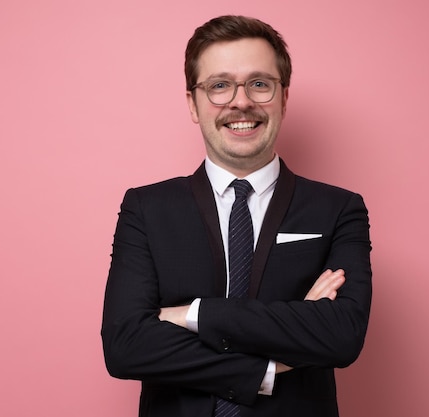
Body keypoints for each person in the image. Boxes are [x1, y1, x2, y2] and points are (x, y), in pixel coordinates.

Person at [101, 15, 372, 417]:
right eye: (219, 86)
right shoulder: (146, 208)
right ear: (193, 104)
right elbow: (125, 346)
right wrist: (270, 366)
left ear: (283, 98)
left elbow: (341, 335)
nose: (240, 101)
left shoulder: (339, 209)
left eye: (259, 84)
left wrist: (193, 314)